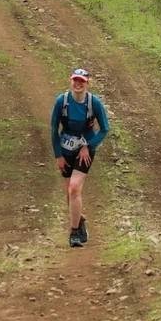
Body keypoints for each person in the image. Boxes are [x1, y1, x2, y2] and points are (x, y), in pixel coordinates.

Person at [51, 67, 109, 248]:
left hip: (85, 150)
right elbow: (53, 129)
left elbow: (105, 128)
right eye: (75, 80)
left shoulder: (94, 103)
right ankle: (80, 219)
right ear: (71, 81)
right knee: (69, 192)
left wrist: (88, 146)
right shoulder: (62, 101)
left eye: (81, 81)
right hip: (66, 149)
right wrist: (58, 155)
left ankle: (74, 232)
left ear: (87, 84)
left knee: (75, 188)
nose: (78, 84)